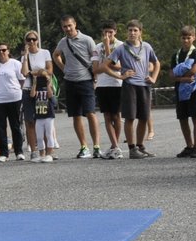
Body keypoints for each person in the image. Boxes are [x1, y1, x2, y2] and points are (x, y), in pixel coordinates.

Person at [53, 15, 100, 157]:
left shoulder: (87, 39)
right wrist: (64, 68)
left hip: (86, 81)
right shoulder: (63, 42)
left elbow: (95, 58)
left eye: (69, 25)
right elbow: (56, 55)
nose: (67, 29)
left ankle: (97, 146)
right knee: (76, 115)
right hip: (70, 81)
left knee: (90, 113)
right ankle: (84, 146)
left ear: (75, 24)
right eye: (64, 26)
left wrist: (95, 78)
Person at [115, 20, 158, 159]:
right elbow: (106, 65)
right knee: (130, 117)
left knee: (144, 117)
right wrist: (121, 76)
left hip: (144, 85)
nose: (132, 33)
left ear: (140, 32)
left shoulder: (146, 46)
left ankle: (140, 146)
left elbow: (156, 63)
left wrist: (154, 78)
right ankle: (132, 148)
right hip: (130, 86)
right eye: (130, 30)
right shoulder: (122, 48)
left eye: (135, 30)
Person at [0, 43, 27, 161]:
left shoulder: (15, 63)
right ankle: (4, 153)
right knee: (1, 127)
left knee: (15, 126)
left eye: (4, 50)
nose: (1, 52)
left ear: (8, 51)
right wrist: (0, 91)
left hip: (14, 98)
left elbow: (22, 80)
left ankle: (19, 151)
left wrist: (16, 90)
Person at [92, 24, 125, 159]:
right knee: (107, 116)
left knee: (116, 115)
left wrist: (107, 49)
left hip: (117, 84)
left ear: (115, 32)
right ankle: (115, 146)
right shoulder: (97, 47)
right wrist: (106, 67)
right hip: (102, 84)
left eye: (110, 32)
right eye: (105, 32)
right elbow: (95, 69)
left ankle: (115, 146)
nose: (108, 35)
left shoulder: (121, 46)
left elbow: (118, 66)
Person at [19, 31, 53, 158]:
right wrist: (26, 56)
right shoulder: (24, 57)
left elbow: (49, 71)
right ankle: (34, 151)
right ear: (26, 42)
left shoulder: (45, 53)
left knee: (43, 120)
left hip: (42, 90)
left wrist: (34, 73)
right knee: (30, 121)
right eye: (28, 40)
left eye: (33, 39)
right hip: (28, 90)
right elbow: (24, 73)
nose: (31, 41)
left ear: (37, 40)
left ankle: (48, 151)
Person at [172, 27, 196, 158]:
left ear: (193, 37)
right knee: (183, 118)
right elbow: (171, 74)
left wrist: (180, 74)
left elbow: (194, 70)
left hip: (193, 90)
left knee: (195, 117)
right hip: (180, 89)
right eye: (183, 38)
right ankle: (189, 145)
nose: (185, 40)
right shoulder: (176, 55)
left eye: (188, 37)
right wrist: (182, 78)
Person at [30, 71, 58, 161]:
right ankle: (42, 154)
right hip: (39, 116)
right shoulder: (36, 88)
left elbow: (50, 95)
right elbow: (32, 95)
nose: (41, 80)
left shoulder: (49, 87)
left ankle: (49, 154)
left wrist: (48, 83)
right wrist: (34, 83)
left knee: (49, 135)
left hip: (49, 116)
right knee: (39, 136)